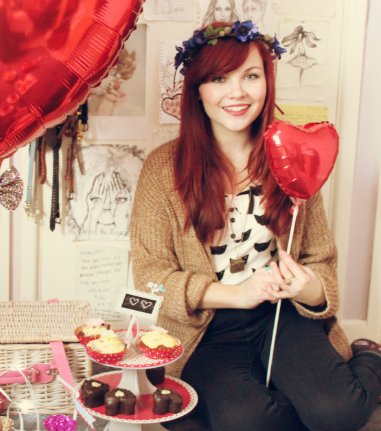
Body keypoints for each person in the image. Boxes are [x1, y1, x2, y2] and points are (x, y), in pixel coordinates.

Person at [130, 22, 381, 431]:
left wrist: (309, 288)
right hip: (207, 327)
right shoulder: (162, 170)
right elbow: (149, 278)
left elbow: (321, 260)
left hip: (284, 316)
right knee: (247, 420)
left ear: (267, 82)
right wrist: (236, 294)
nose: (237, 93)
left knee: (338, 413)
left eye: (250, 76)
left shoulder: (292, 156)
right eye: (219, 79)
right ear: (197, 90)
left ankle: (370, 357)